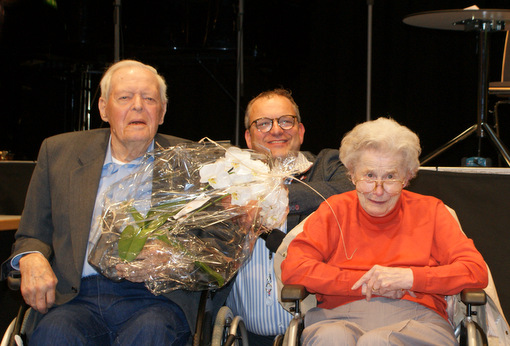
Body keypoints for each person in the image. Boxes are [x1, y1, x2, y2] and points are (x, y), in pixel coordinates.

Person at [0, 59, 214, 345]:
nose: (138, 106)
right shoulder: (59, 152)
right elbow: (31, 234)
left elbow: (214, 248)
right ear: (103, 108)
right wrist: (31, 258)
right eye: (125, 97)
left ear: (161, 112)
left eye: (149, 98)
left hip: (156, 299)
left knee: (151, 332)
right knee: (54, 334)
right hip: (76, 298)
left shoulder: (193, 161)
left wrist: (174, 259)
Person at [281, 117, 489, 345]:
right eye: (369, 176)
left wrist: (408, 277)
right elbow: (294, 268)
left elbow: (474, 270)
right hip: (337, 317)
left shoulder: (431, 211)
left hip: (417, 320)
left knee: (378, 342)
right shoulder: (334, 210)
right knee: (332, 339)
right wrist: (364, 283)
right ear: (351, 174)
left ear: (407, 177)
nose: (378, 191)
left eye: (390, 176)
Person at [225, 88, 353, 345]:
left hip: (313, 329)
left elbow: (350, 191)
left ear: (300, 131)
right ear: (248, 138)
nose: (275, 130)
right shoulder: (229, 177)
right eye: (263, 123)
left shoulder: (326, 166)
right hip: (241, 333)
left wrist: (275, 196)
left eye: (285, 121)